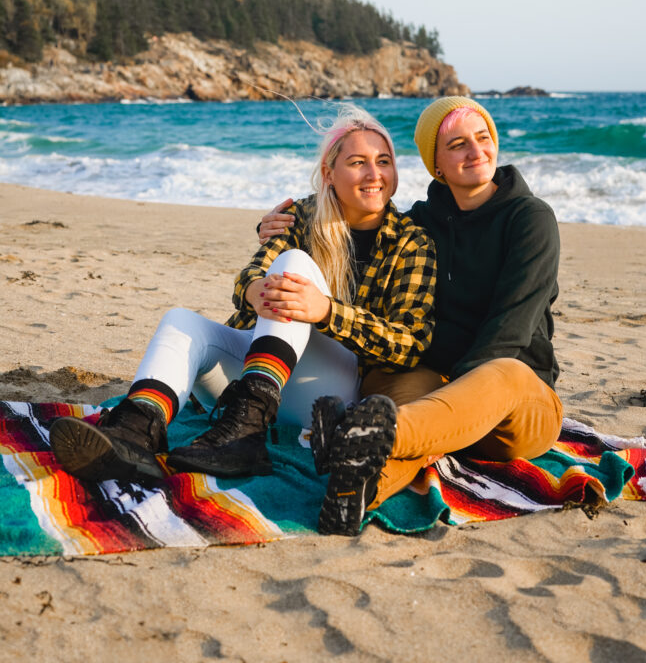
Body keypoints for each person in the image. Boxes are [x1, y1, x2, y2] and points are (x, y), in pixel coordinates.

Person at [49, 106, 437, 487]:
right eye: (358, 162)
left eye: (384, 161)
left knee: (295, 264)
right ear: (328, 174)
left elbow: (410, 344)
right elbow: (252, 273)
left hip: (329, 392)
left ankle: (246, 434)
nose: (375, 174)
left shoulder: (411, 242)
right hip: (257, 383)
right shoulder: (300, 216)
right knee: (182, 320)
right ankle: (135, 432)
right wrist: (253, 288)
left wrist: (325, 311)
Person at [257, 96, 563, 535]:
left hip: (517, 401)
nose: (476, 152)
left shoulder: (530, 219)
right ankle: (357, 496)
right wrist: (279, 224)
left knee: (502, 371)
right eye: (458, 144)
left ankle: (355, 434)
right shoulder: (421, 223)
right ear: (434, 162)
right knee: (387, 390)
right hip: (439, 393)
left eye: (483, 138)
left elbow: (511, 327)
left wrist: (456, 397)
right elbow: (352, 216)